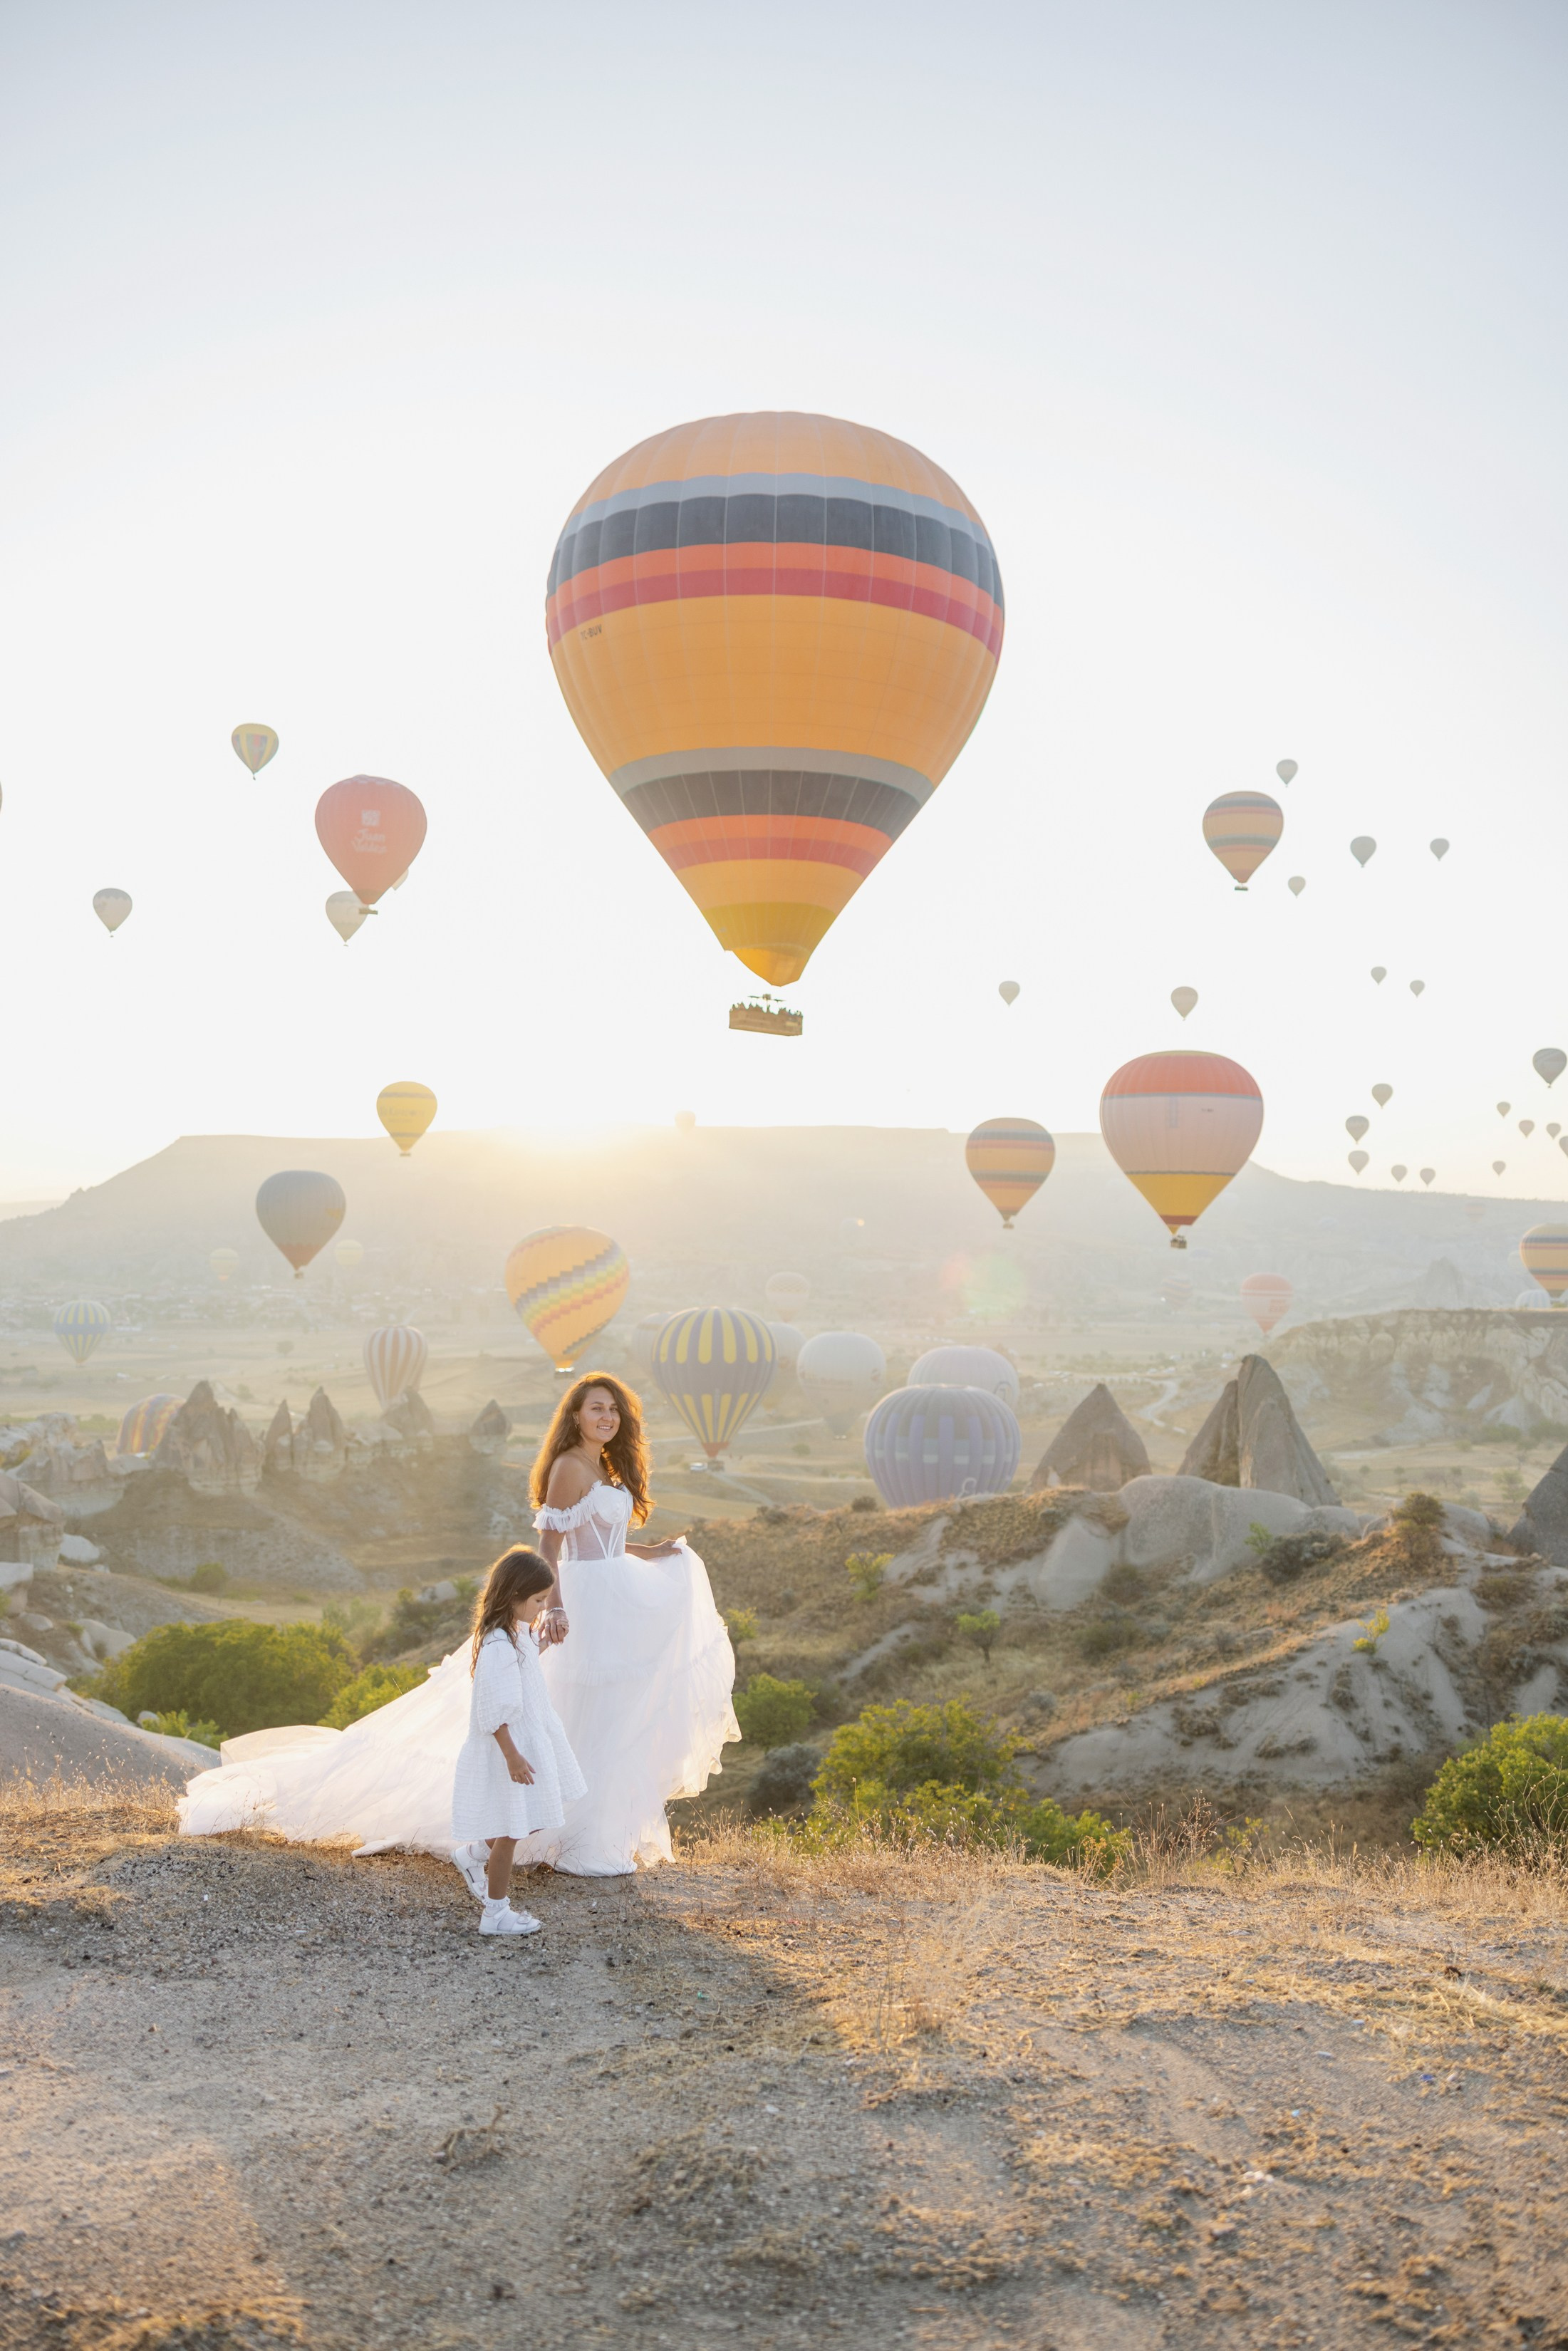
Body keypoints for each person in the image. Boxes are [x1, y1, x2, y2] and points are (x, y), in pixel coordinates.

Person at [531, 1371, 739, 1875]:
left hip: (616, 1590)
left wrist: (654, 1551)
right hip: (584, 1598)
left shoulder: (603, 1465)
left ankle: (598, 1834)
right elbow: (550, 1546)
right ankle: (569, 1836)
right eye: (596, 1408)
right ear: (575, 1415)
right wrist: (553, 1608)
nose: (606, 1417)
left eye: (614, 1410)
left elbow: (605, 1538)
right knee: (588, 1709)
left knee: (619, 1715)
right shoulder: (568, 1466)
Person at [452, 1546, 586, 1936]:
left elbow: (523, 1663)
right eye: (539, 1600)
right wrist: (512, 1756)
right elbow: (493, 1712)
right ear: (514, 1596)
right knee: (512, 1830)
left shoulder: (516, 1633)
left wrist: (541, 1642)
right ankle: (495, 1914)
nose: (543, 1608)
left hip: (529, 1739)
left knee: (530, 1818)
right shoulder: (496, 1646)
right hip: (510, 1748)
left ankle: (475, 1854)